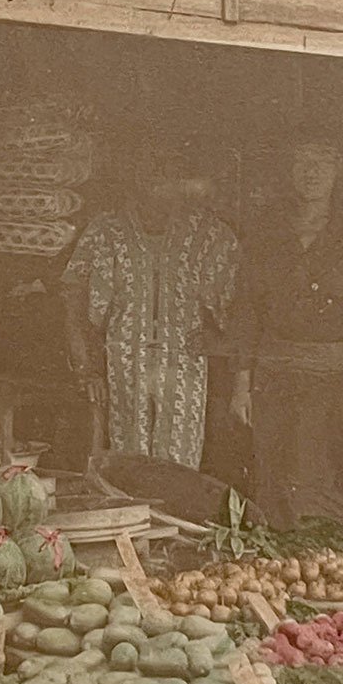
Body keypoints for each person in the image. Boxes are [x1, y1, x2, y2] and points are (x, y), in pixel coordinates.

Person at [229, 136, 343, 529]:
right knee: (273, 476)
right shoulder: (266, 235)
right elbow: (247, 310)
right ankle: (277, 568)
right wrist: (242, 383)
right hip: (274, 376)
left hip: (337, 382)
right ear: (289, 170)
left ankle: (327, 566)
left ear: (337, 172)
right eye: (302, 161)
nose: (311, 172)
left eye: (322, 162)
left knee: (329, 477)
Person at [62, 149, 239, 470]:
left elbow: (242, 301)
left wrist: (217, 338)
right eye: (148, 174)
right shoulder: (106, 231)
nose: (157, 184)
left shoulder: (209, 234)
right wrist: (88, 369)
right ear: (133, 180)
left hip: (184, 365)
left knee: (180, 468)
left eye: (167, 175)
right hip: (124, 364)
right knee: (129, 465)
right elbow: (74, 299)